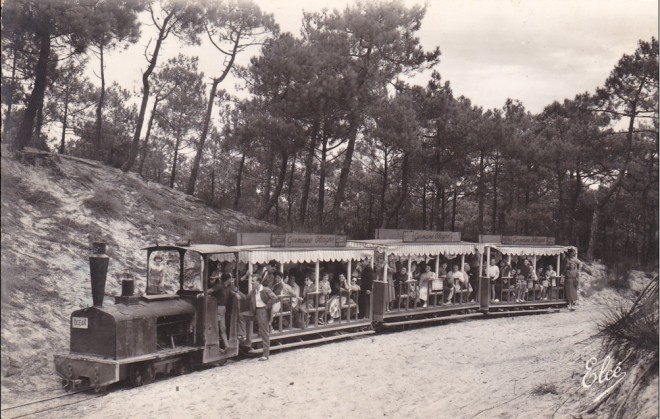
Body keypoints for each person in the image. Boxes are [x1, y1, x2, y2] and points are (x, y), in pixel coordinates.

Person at [233, 274, 278, 361]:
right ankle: (242, 335)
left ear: (258, 282)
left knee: (264, 333)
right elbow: (246, 298)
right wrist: (237, 291)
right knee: (241, 315)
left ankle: (265, 355)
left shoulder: (266, 290)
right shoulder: (253, 291)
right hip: (255, 311)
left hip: (263, 312)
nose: (251, 282)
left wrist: (267, 306)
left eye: (253, 281)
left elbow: (274, 298)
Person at [198, 273, 233, 351]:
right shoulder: (219, 286)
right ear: (228, 279)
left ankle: (227, 345)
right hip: (217, 309)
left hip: (223, 309)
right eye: (231, 278)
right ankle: (217, 346)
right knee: (217, 327)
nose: (231, 280)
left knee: (223, 328)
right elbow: (210, 290)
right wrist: (202, 294)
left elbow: (231, 294)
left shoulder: (227, 287)